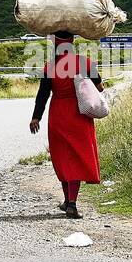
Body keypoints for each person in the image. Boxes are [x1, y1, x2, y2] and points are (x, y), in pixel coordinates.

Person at [29, 30, 103, 218]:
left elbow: (43, 95)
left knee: (62, 156)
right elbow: (100, 87)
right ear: (72, 44)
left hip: (59, 114)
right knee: (77, 156)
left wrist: (36, 117)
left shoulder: (50, 66)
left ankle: (67, 200)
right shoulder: (85, 63)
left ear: (55, 46)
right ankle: (71, 203)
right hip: (79, 114)